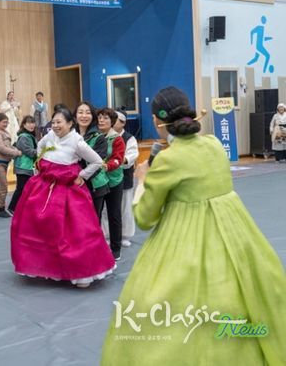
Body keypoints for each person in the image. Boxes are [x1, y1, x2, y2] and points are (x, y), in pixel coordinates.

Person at [101, 86, 286, 364]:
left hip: (184, 237)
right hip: (237, 232)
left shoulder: (169, 159)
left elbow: (145, 217)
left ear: (156, 120)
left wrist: (143, 179)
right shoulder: (214, 145)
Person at [10, 107, 115, 288]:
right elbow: (40, 147)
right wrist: (39, 165)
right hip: (44, 188)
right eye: (54, 122)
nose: (56, 125)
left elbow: (97, 161)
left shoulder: (77, 142)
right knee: (38, 227)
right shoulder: (49, 136)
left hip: (68, 192)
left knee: (75, 232)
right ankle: (45, 268)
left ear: (70, 123)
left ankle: (82, 273)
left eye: (59, 122)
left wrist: (83, 175)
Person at [96, 107, 125, 260]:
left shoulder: (117, 139)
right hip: (98, 181)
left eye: (106, 118)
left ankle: (116, 248)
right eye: (100, 117)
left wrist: (107, 166)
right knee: (96, 215)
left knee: (114, 215)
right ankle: (97, 246)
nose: (102, 120)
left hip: (114, 181)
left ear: (112, 122)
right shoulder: (94, 136)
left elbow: (118, 159)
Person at [75, 101, 110, 216]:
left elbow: (98, 164)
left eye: (88, 112)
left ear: (93, 116)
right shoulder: (69, 136)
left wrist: (82, 177)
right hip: (73, 183)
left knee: (93, 220)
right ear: (75, 115)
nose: (84, 116)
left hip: (94, 185)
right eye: (80, 112)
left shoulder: (99, 138)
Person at [0, 113, 21, 218]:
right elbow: (1, 148)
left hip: (3, 162)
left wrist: (15, 149)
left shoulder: (4, 132)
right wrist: (17, 153)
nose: (6, 124)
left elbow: (8, 146)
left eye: (7, 122)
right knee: (3, 186)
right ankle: (0, 208)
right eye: (4, 122)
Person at [114, 111, 138, 247]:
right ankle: (108, 234)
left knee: (125, 207)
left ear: (123, 123)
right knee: (107, 209)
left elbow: (131, 155)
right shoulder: (105, 135)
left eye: (116, 119)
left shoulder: (129, 138)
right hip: (108, 178)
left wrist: (118, 161)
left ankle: (125, 235)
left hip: (124, 177)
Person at [8, 116, 37, 213]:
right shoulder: (24, 137)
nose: (31, 125)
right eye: (29, 123)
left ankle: (21, 208)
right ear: (24, 125)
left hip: (27, 167)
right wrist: (42, 151)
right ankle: (12, 208)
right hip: (23, 167)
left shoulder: (30, 136)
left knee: (27, 189)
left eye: (33, 122)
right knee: (20, 188)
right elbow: (29, 152)